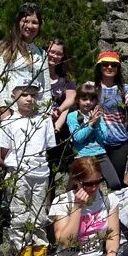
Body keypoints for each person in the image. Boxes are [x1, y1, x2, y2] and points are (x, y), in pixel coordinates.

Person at [0, 79, 56, 256]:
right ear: (14, 96)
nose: (29, 99)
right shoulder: (7, 122)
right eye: (23, 94)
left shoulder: (44, 120)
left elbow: (48, 147)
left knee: (39, 216)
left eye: (32, 94)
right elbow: (3, 151)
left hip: (40, 173)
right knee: (20, 216)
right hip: (18, 173)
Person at [0, 3, 51, 125]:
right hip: (13, 111)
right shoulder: (5, 47)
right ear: (18, 22)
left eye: (34, 22)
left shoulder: (41, 53)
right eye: (25, 21)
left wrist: (47, 112)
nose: (30, 26)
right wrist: (5, 109)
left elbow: (45, 86)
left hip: (37, 113)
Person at [67, 82, 123, 190]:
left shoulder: (99, 116)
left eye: (92, 99)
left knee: (115, 184)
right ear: (78, 100)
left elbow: (103, 138)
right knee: (75, 188)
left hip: (100, 154)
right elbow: (78, 138)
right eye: (84, 99)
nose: (88, 102)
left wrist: (96, 124)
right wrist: (91, 125)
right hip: (82, 155)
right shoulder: (72, 116)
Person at [93, 51, 128, 186]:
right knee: (94, 182)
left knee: (116, 183)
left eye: (113, 65)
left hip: (118, 142)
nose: (109, 68)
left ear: (118, 68)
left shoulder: (125, 89)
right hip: (97, 142)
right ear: (99, 67)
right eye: (105, 64)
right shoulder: (91, 87)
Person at [45, 39, 76, 190]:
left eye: (59, 53)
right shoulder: (36, 74)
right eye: (52, 52)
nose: (55, 56)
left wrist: (57, 124)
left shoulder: (66, 78)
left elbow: (70, 99)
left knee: (64, 165)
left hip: (59, 128)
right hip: (38, 126)